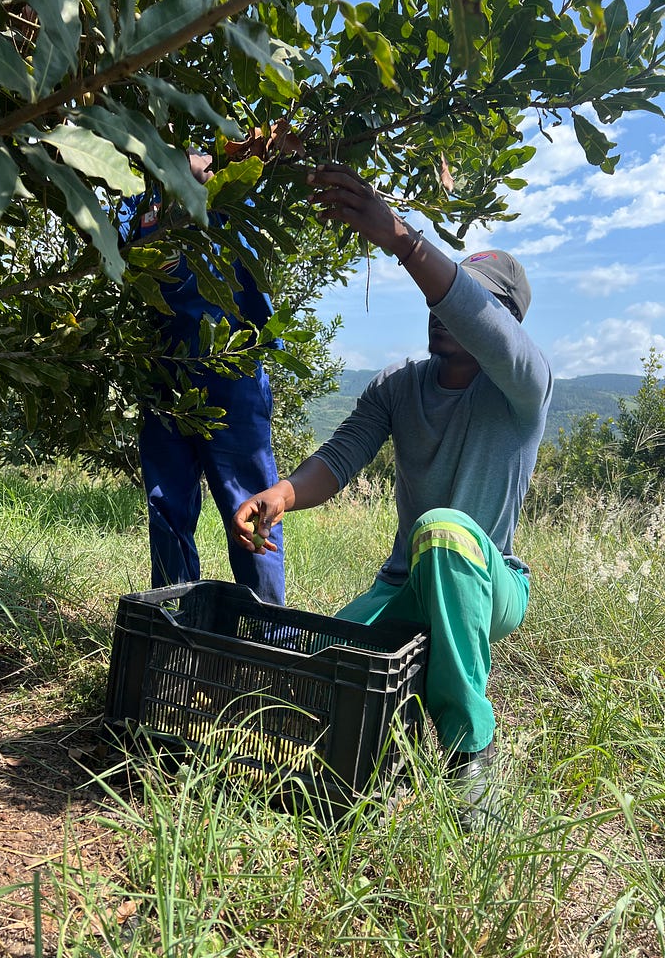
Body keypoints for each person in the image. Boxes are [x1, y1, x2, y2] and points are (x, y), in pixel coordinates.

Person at [231, 163, 553, 825]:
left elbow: (477, 314)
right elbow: (343, 455)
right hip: (405, 583)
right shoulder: (398, 387)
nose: (443, 311)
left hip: (490, 582)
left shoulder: (524, 387)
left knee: (443, 527)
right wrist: (284, 494)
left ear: (503, 325)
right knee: (318, 664)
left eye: (466, 302)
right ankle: (386, 749)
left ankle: (470, 755)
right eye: (443, 300)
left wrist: (403, 240)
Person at [119, 150, 285, 604]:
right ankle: (176, 627)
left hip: (233, 371)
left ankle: (267, 633)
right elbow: (125, 254)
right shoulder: (136, 198)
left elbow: (248, 239)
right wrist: (165, 189)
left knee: (252, 506)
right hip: (164, 370)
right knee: (166, 506)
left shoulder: (227, 183)